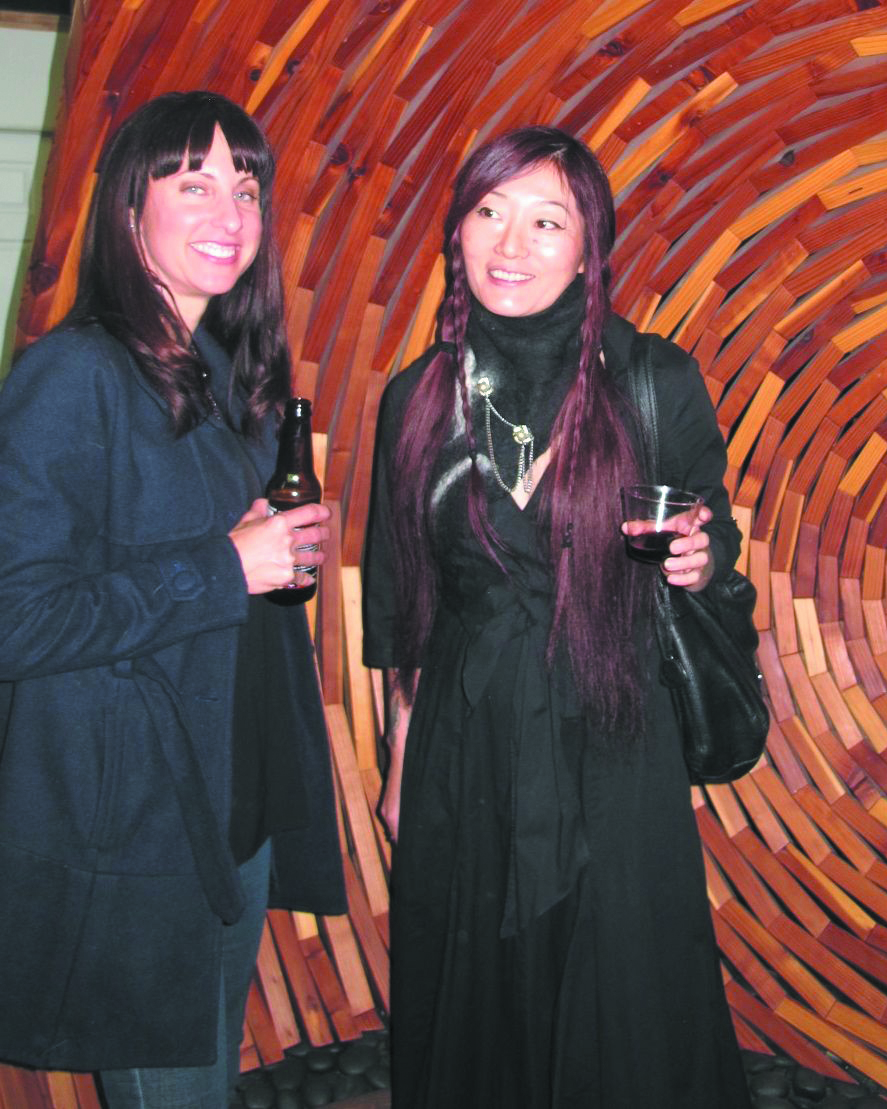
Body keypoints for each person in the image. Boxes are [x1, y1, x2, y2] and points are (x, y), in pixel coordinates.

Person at [363, 126, 751, 1107]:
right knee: (477, 1005)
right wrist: (401, 758)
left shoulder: (652, 380)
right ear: (457, 232)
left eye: (547, 221)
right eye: (489, 212)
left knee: (622, 1001)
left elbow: (712, 533)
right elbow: (405, 599)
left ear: (588, 250)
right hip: (464, 742)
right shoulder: (417, 399)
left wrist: (702, 556)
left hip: (613, 732)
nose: (510, 243)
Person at [0, 91, 346, 1107]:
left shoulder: (223, 377)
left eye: (245, 187)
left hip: (230, 808)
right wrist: (226, 567)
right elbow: (15, 617)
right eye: (192, 184)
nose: (230, 212)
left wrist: (268, 550)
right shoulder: (73, 374)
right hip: (137, 828)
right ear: (127, 209)